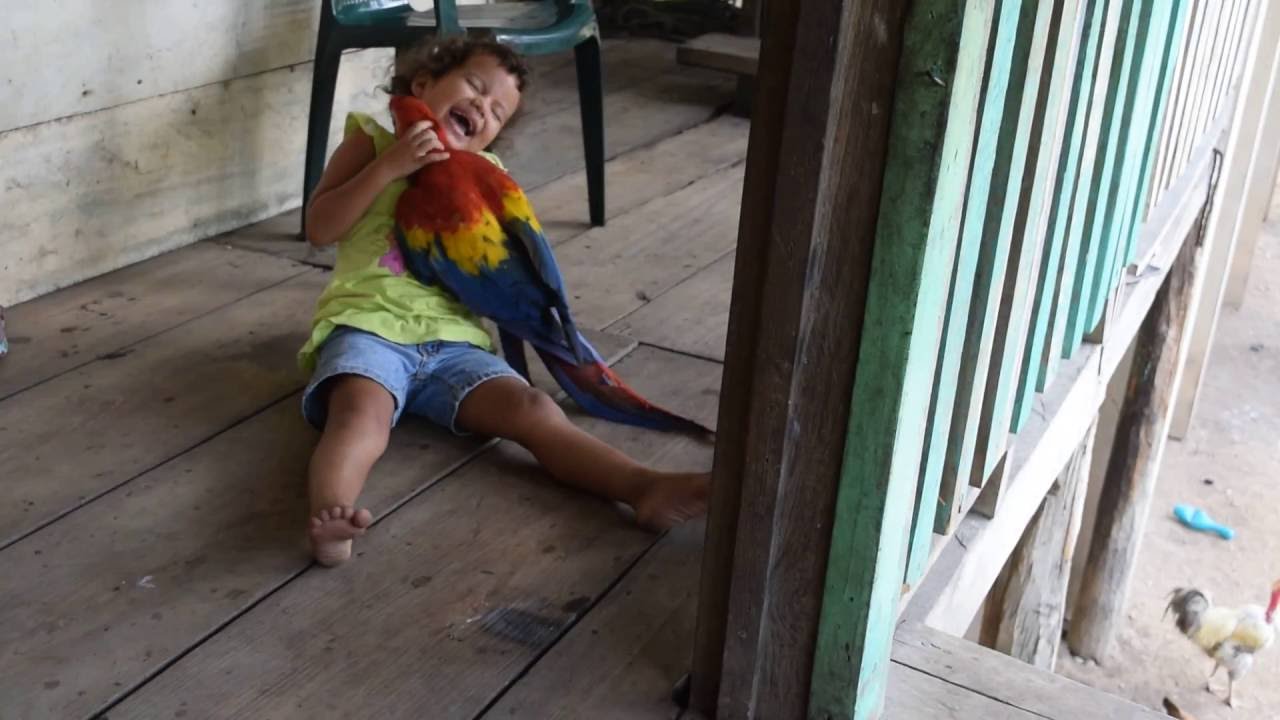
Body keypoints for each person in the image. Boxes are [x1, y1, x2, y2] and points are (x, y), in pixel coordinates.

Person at [298, 37, 710, 567]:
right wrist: (389, 169)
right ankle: (333, 515)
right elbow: (320, 227)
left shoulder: (486, 177)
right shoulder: (373, 142)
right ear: (423, 84)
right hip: (369, 326)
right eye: (474, 85)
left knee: (533, 409)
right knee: (360, 416)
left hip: (455, 344)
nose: (482, 106)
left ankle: (643, 486)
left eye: (496, 112)